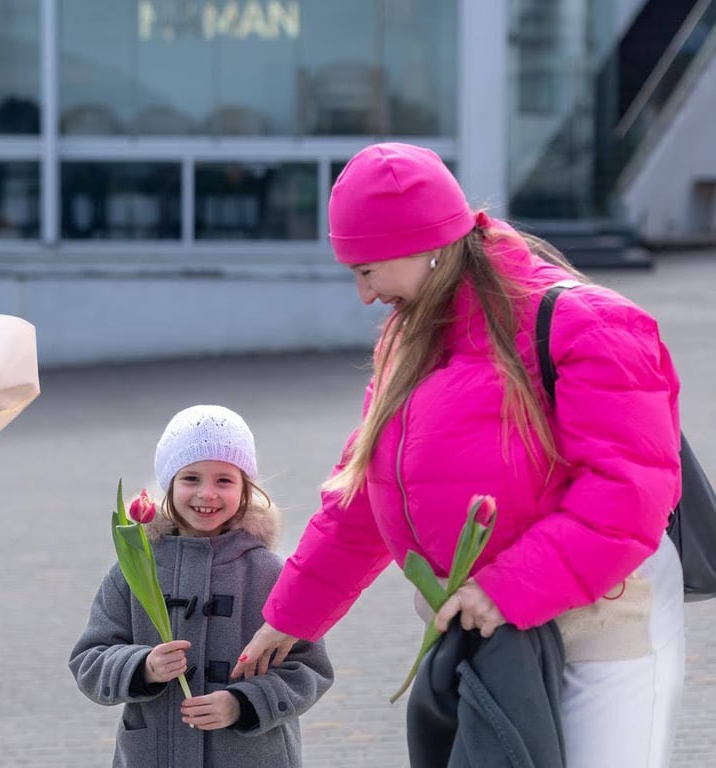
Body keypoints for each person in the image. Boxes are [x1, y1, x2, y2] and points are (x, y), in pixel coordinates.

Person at [232, 142, 684, 767]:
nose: (363, 295)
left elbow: (628, 493)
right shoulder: (410, 340)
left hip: (599, 629)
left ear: (425, 246)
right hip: (488, 637)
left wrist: (506, 588)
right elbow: (363, 497)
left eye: (367, 270)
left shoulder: (588, 323)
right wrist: (290, 617)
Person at [70, 405, 333, 767]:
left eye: (224, 480)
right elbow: (90, 658)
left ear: (245, 489)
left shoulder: (270, 573)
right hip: (155, 755)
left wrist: (242, 703)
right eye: (191, 478)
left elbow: (310, 669)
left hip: (252, 756)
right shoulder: (134, 570)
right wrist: (142, 666)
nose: (206, 493)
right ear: (169, 484)